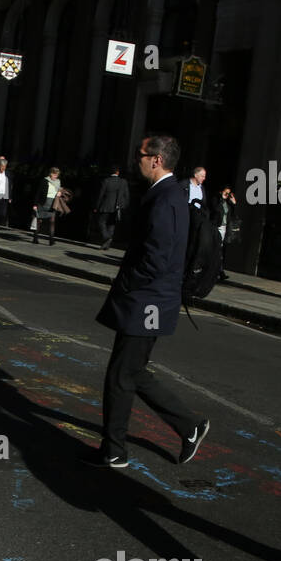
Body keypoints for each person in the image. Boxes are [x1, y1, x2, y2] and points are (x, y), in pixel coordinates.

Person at [88, 134, 208, 469]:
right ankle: (188, 426)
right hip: (150, 299)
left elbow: (156, 259)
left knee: (121, 375)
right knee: (130, 371)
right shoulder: (165, 194)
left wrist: (128, 286)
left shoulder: (167, 198)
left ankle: (114, 451)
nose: (135, 159)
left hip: (148, 302)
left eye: (140, 154)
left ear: (155, 159)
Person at [93, 164, 129, 249]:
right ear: (118, 172)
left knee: (101, 222)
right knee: (111, 224)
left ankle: (106, 237)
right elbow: (127, 195)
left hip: (106, 205)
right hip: (117, 207)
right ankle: (106, 244)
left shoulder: (106, 181)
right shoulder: (123, 182)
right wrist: (124, 206)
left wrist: (96, 206)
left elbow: (101, 195)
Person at [32, 167, 62, 245]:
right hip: (43, 203)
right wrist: (35, 204)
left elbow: (58, 191)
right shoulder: (44, 181)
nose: (56, 176)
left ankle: (51, 240)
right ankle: (35, 238)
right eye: (55, 174)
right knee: (39, 221)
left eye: (57, 175)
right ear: (51, 174)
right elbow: (38, 193)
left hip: (53, 204)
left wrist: (59, 194)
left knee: (52, 221)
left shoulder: (58, 182)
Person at [213, 186, 237, 281]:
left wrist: (234, 204)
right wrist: (221, 198)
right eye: (225, 193)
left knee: (220, 250)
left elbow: (232, 215)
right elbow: (215, 209)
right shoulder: (216, 200)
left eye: (228, 194)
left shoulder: (228, 203)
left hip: (224, 228)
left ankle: (219, 270)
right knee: (217, 249)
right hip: (216, 227)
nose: (227, 195)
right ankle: (220, 271)